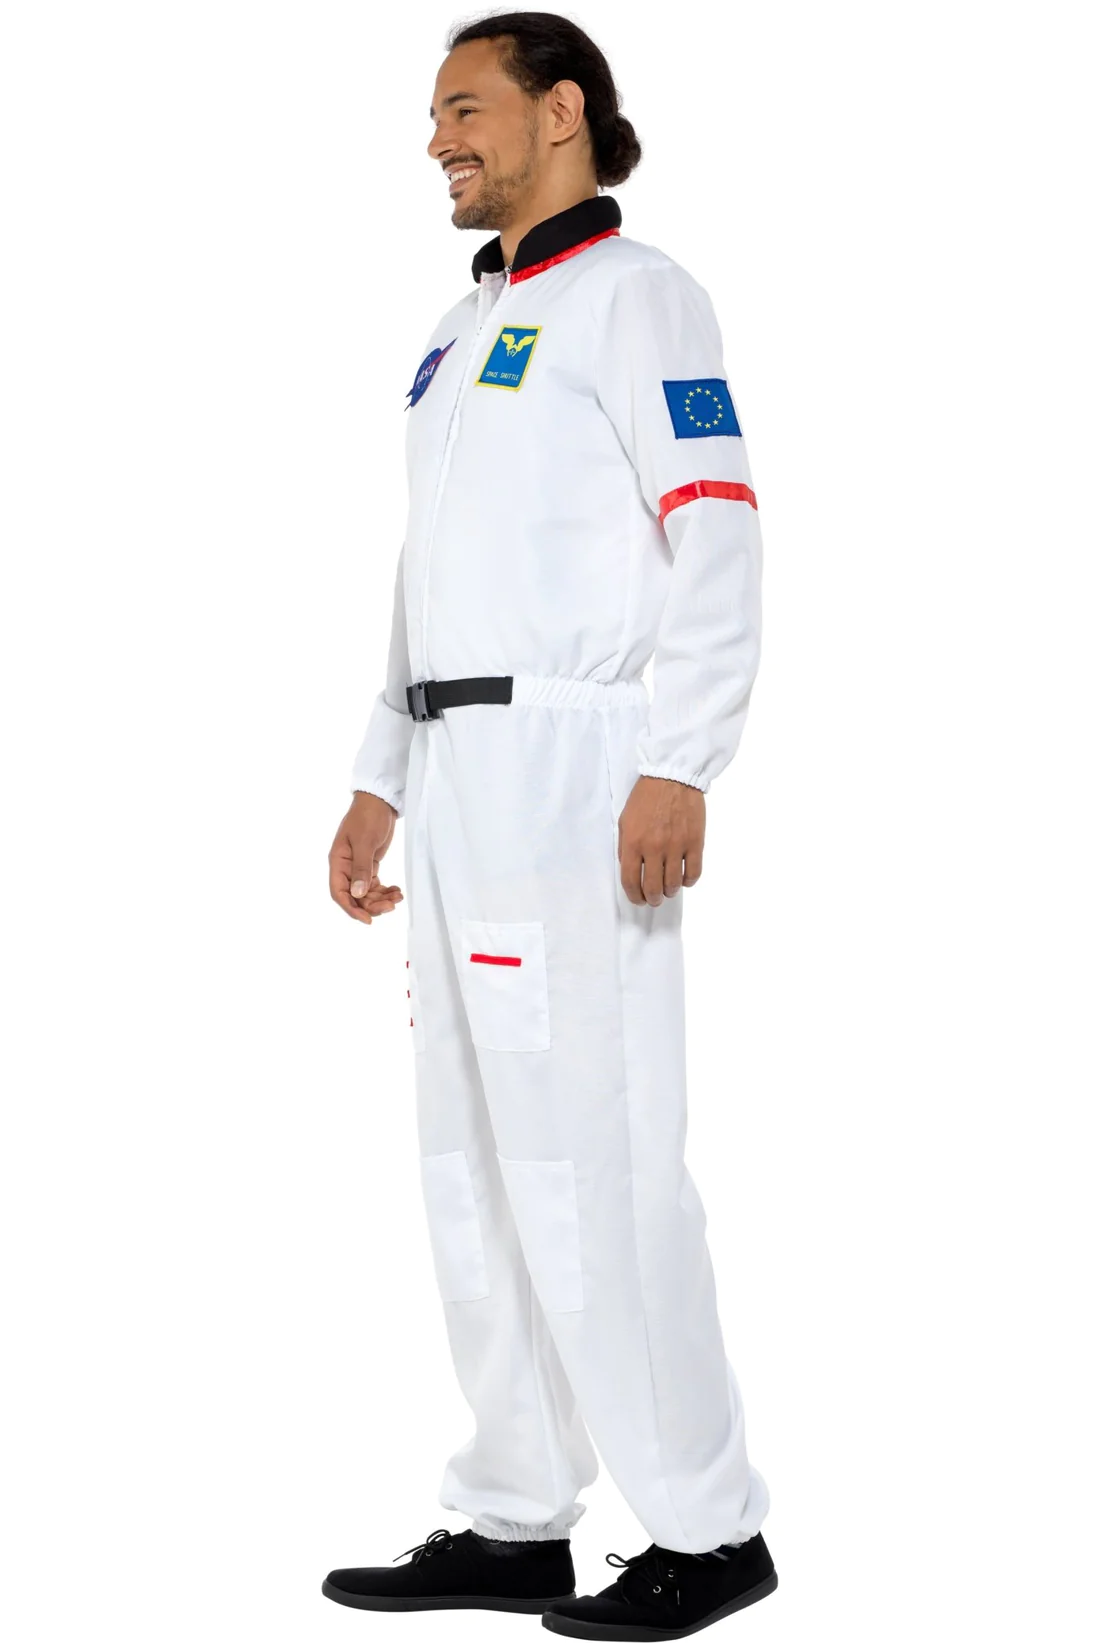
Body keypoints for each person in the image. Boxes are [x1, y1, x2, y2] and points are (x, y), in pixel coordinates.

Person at [323, 12, 775, 1637]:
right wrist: (380, 771)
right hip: (456, 771)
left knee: (600, 1145)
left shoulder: (640, 298)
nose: (437, 139)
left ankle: (708, 1527)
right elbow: (424, 570)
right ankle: (514, 1510)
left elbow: (717, 529)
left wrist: (683, 757)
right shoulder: (457, 334)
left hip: (576, 767)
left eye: (465, 106)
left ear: (561, 110)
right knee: (469, 1149)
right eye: (432, 113)